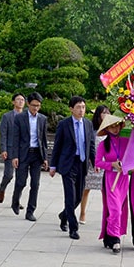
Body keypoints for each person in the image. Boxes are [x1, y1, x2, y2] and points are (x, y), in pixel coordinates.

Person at [50, 96, 95, 240]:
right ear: (71, 109)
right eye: (78, 107)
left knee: (78, 197)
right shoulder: (64, 124)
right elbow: (57, 146)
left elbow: (91, 146)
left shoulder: (88, 124)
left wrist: (95, 163)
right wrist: (53, 165)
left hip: (82, 163)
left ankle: (64, 216)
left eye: (83, 107)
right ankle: (73, 228)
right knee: (70, 196)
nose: (81, 110)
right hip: (68, 164)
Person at [11, 92, 48, 222]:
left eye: (38, 106)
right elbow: (15, 138)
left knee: (35, 184)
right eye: (33, 106)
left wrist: (45, 158)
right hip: (23, 154)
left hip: (37, 155)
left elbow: (43, 140)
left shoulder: (42, 119)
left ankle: (30, 210)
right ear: (28, 104)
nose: (35, 108)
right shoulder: (20, 118)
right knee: (21, 182)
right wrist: (14, 156)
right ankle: (15, 200)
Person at [95, 114, 128, 253]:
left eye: (116, 125)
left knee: (120, 209)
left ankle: (110, 235)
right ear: (107, 129)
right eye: (111, 127)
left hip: (123, 179)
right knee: (115, 210)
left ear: (121, 126)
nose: (114, 129)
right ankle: (115, 239)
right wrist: (111, 164)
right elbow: (97, 162)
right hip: (110, 180)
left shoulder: (126, 141)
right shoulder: (104, 144)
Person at [78, 105, 110, 225]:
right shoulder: (92, 129)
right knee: (85, 190)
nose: (106, 114)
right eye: (103, 112)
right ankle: (82, 213)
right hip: (91, 164)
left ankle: (106, 216)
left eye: (108, 112)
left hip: (105, 165)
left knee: (105, 192)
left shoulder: (111, 130)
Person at [0, 93, 26, 209]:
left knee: (21, 179)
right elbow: (3, 134)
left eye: (22, 100)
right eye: (18, 99)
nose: (20, 101)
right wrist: (3, 149)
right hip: (10, 150)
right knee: (9, 175)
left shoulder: (26, 116)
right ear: (13, 102)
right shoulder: (7, 116)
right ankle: (2, 188)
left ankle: (16, 201)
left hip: (22, 151)